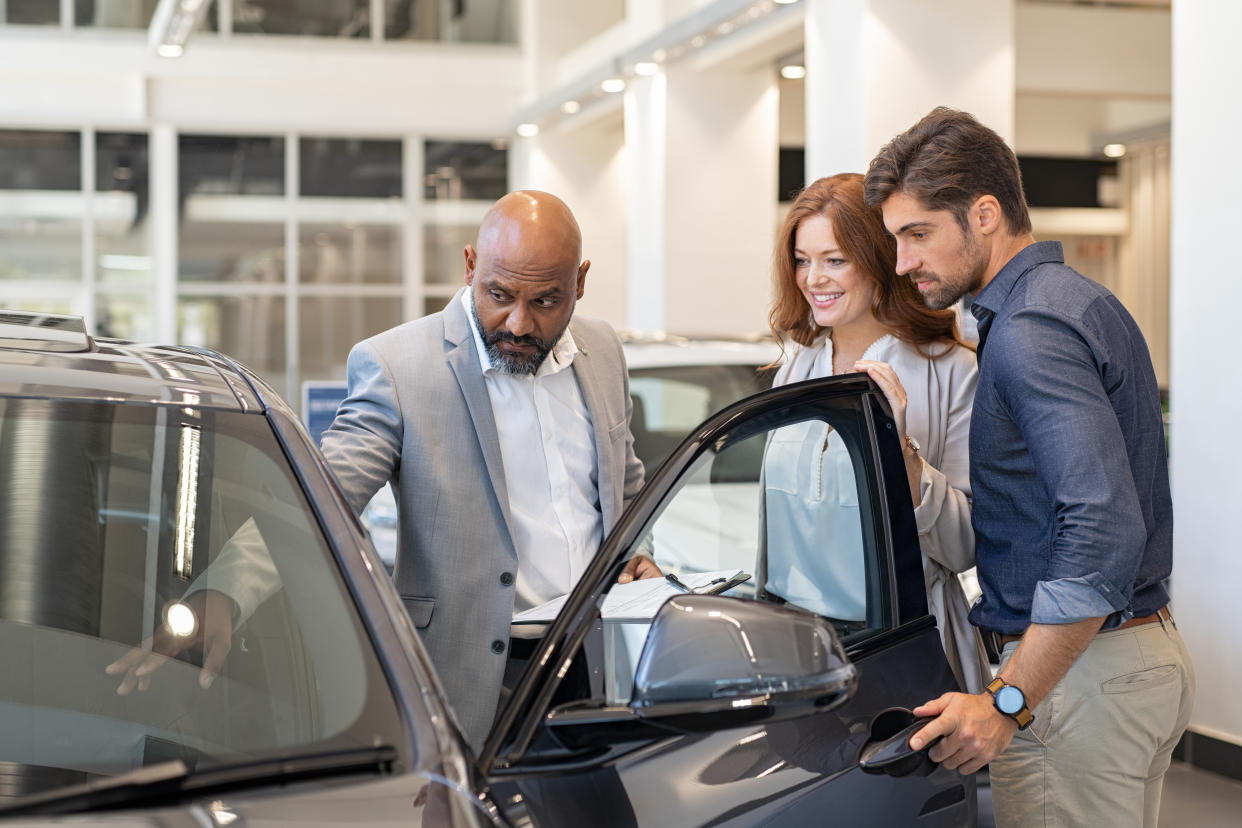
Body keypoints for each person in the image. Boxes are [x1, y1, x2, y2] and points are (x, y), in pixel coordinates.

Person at [108, 190, 661, 751]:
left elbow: (626, 480)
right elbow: (326, 495)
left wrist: (638, 556)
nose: (519, 323)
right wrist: (224, 592)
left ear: (580, 282)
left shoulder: (603, 350)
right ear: (471, 266)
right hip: (478, 683)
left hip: (595, 666)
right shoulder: (399, 366)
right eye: (499, 294)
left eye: (546, 301)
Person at [864, 107, 1193, 827]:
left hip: (1077, 679)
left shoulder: (1028, 331)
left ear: (984, 214)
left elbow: (1103, 525)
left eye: (917, 234)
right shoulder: (1078, 302)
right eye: (895, 239)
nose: (903, 262)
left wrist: (1007, 700)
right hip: (1130, 659)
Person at [764, 173, 990, 695]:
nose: (813, 278)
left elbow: (964, 548)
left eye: (835, 260)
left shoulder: (952, 371)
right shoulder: (796, 369)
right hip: (801, 654)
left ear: (880, 260)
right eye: (802, 260)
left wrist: (902, 453)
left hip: (904, 649)